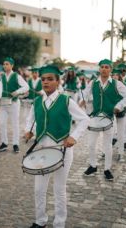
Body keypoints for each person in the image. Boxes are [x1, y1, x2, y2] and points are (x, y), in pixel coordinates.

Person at [24, 65, 89, 228]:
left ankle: (59, 223)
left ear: (58, 81)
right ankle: (40, 221)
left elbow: (85, 119)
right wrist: (28, 131)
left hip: (62, 150)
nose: (45, 82)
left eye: (50, 79)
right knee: (39, 189)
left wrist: (74, 136)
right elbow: (30, 119)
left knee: (59, 189)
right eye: (43, 79)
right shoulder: (37, 101)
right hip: (42, 151)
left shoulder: (66, 100)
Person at [80, 59, 126, 179]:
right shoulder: (93, 83)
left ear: (110, 69)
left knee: (107, 145)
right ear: (99, 69)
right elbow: (85, 93)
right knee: (91, 144)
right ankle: (93, 166)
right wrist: (82, 101)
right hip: (95, 117)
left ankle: (107, 169)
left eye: (107, 67)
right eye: (102, 67)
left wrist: (118, 106)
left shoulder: (116, 83)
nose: (104, 69)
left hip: (109, 117)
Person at [0, 57, 29, 153]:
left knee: (15, 124)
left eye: (7, 64)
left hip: (14, 103)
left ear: (12, 65)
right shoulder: (2, 77)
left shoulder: (16, 76)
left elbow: (26, 86)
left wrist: (17, 91)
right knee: (2, 123)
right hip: (4, 104)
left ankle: (16, 144)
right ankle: (4, 143)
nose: (5, 66)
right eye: (4, 64)